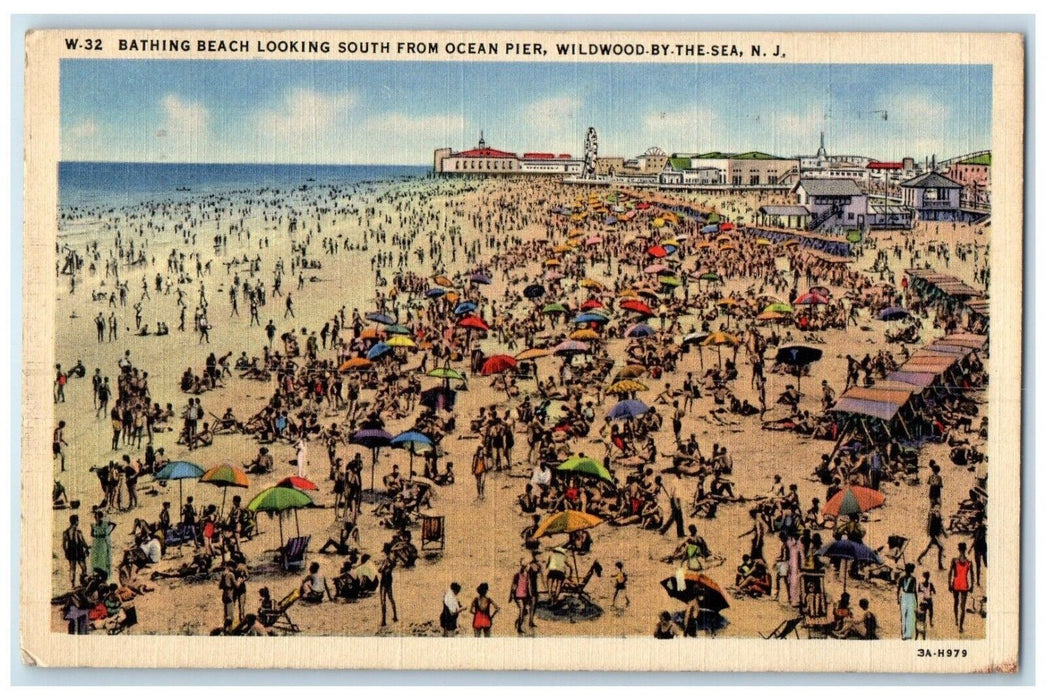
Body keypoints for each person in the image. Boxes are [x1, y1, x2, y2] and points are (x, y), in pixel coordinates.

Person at [948, 542, 974, 633]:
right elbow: (972, 575)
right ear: (965, 549)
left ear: (958, 549)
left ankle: (957, 621)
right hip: (963, 585)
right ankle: (960, 626)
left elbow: (950, 573)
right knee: (962, 606)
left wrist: (949, 584)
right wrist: (972, 586)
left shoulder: (955, 560)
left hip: (957, 584)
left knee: (956, 604)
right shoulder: (968, 562)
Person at [62, 514, 89, 588]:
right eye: (78, 521)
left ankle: (73, 584)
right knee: (83, 567)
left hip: (71, 551)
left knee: (72, 568)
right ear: (76, 521)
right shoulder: (78, 531)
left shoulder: (66, 532)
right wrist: (86, 548)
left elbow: (64, 545)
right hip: (79, 550)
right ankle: (83, 581)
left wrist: (66, 552)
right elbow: (82, 541)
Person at [89, 509, 116, 580]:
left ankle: (103, 572)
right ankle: (97, 571)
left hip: (103, 541)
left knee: (103, 556)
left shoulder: (105, 523)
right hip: (96, 541)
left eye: (96, 516)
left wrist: (109, 532)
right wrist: (93, 531)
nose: (95, 518)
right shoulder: (93, 525)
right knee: (95, 556)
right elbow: (91, 534)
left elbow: (114, 524)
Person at [378, 544, 398, 626]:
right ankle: (395, 616)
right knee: (391, 598)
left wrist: (381, 567)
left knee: (383, 601)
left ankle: (383, 620)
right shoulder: (392, 560)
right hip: (389, 580)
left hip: (384, 581)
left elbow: (380, 570)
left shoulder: (386, 560)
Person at [896, 563, 918, 640]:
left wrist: (898, 599)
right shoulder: (912, 579)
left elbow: (898, 589)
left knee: (907, 615)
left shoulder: (903, 578)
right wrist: (916, 602)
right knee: (906, 615)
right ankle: (904, 633)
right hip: (908, 596)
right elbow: (914, 591)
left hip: (906, 596)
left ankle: (906, 633)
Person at [509, 561, 532, 634]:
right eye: (528, 566)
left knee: (525, 611)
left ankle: (518, 621)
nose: (529, 567)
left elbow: (529, 587)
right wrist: (511, 596)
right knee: (521, 609)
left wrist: (530, 596)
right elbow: (513, 586)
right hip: (518, 595)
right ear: (525, 567)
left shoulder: (528, 575)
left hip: (525, 596)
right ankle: (519, 627)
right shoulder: (517, 575)